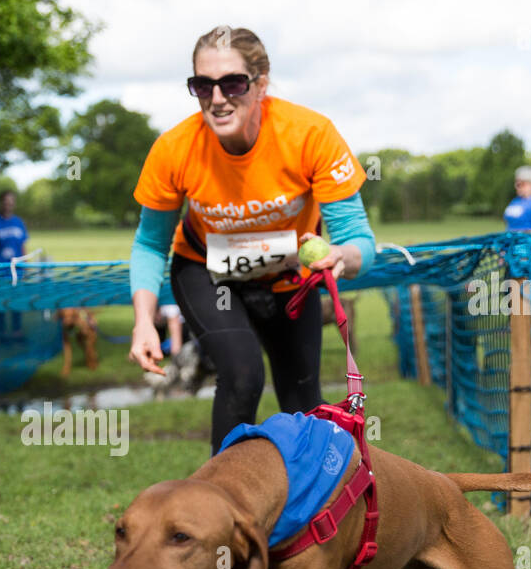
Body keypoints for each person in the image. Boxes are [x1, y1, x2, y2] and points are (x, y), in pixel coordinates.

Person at [127, 26, 376, 454]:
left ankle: (310, 510)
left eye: (233, 83)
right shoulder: (175, 148)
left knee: (304, 403)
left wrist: (342, 256)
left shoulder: (310, 134)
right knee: (243, 376)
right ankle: (218, 509)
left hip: (289, 278)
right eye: (203, 85)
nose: (218, 98)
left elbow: (359, 241)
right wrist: (144, 322)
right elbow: (151, 244)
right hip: (209, 275)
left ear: (261, 83)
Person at [0, 190, 28, 342]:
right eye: (6, 201)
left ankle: (17, 332)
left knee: (17, 301)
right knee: (1, 302)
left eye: (11, 201)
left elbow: (23, 246)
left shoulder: (19, 222)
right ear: (1, 203)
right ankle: (2, 334)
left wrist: (26, 266)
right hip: (0, 269)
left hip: (17, 270)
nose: (8, 204)